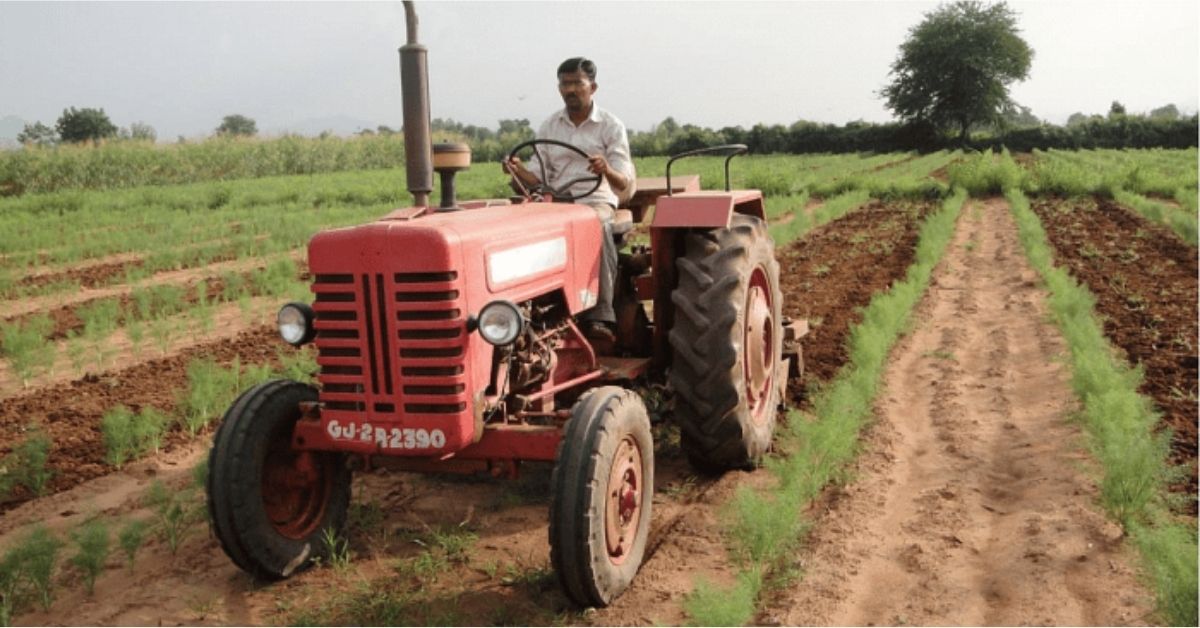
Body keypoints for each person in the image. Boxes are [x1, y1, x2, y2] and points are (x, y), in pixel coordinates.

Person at [504, 57, 635, 342]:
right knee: (516, 227)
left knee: (594, 224)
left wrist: (606, 169)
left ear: (593, 87)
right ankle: (523, 314)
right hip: (556, 202)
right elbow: (536, 179)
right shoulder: (551, 126)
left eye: (577, 83)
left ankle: (601, 316)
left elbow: (623, 181)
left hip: (596, 200)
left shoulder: (610, 126)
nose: (571, 89)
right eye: (565, 84)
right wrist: (518, 171)